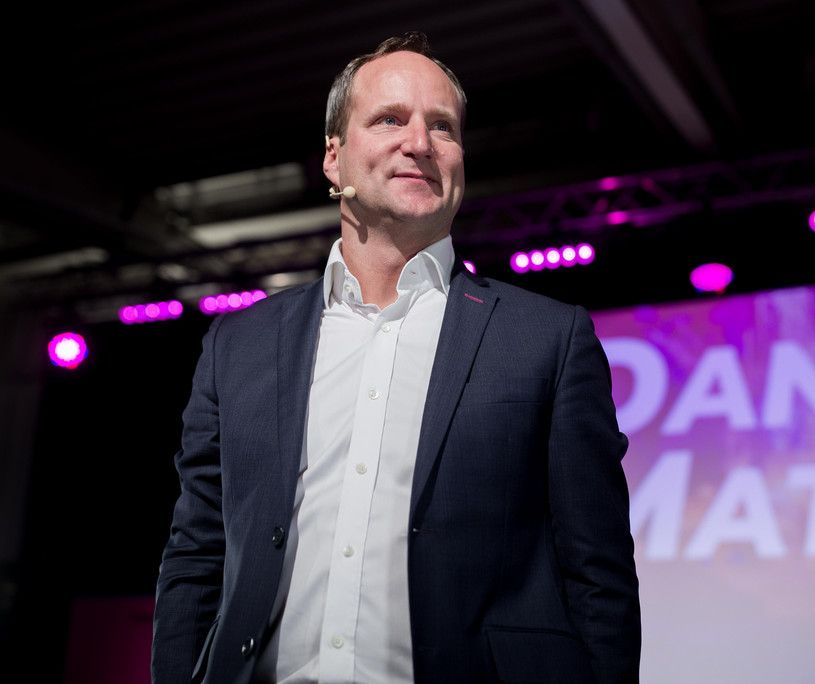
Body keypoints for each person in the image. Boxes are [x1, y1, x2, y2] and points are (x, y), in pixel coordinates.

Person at [152, 32, 640, 684]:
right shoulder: (237, 345)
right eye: (389, 119)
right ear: (334, 158)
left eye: (442, 126)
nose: (420, 143)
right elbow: (195, 557)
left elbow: (598, 575)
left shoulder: (547, 339)